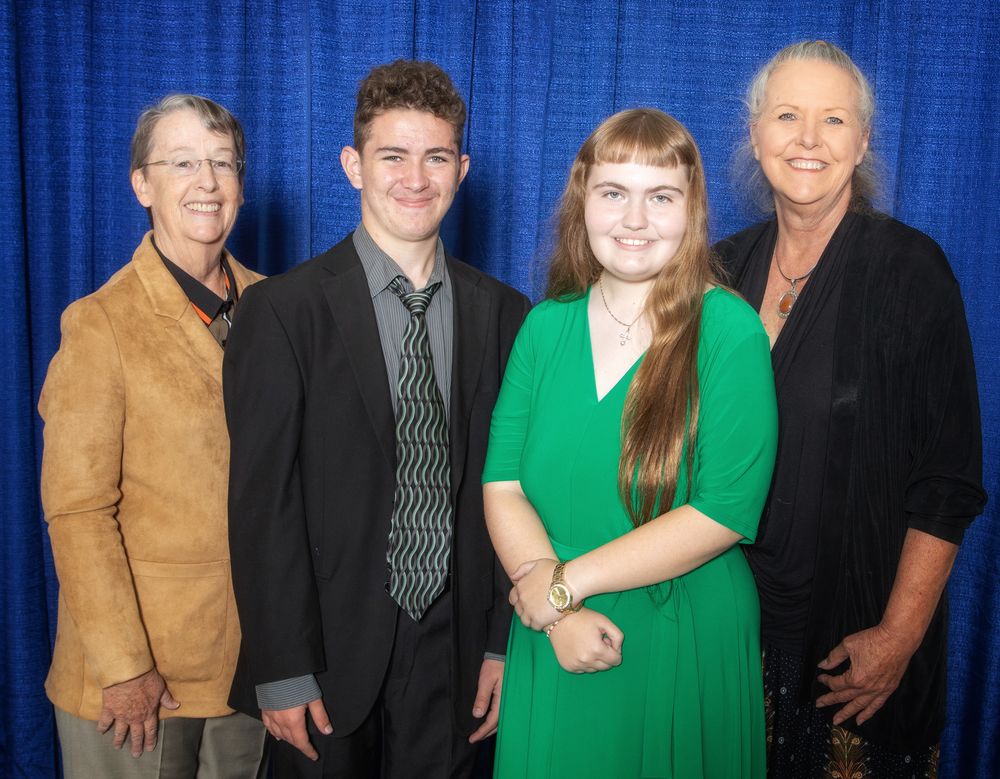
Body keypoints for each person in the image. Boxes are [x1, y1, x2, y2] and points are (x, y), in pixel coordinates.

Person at [223, 59, 531, 778]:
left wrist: (499, 642)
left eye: (436, 157)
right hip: (326, 657)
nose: (415, 179)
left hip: (455, 654)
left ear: (462, 168)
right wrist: (283, 668)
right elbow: (262, 505)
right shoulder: (282, 312)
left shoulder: (506, 315)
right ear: (353, 166)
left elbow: (511, 489)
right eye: (392, 156)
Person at [715, 40, 987, 777]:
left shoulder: (911, 270)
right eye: (788, 115)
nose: (808, 138)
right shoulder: (718, 271)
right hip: (727, 638)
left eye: (833, 120)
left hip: (853, 644)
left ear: (863, 141)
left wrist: (898, 637)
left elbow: (949, 480)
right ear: (755, 133)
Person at [483, 108, 778, 778]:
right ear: (582, 201)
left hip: (678, 631)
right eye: (614, 193)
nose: (635, 220)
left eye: (661, 197)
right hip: (556, 633)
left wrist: (561, 588)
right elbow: (503, 485)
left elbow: (724, 510)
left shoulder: (729, 330)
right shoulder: (543, 328)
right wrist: (559, 617)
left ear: (693, 209)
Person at [38, 94, 267, 778]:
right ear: (142, 183)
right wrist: (124, 665)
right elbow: (78, 512)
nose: (207, 182)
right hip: (135, 681)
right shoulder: (99, 325)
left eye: (223, 163)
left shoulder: (276, 307)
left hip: (246, 667)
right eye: (183, 162)